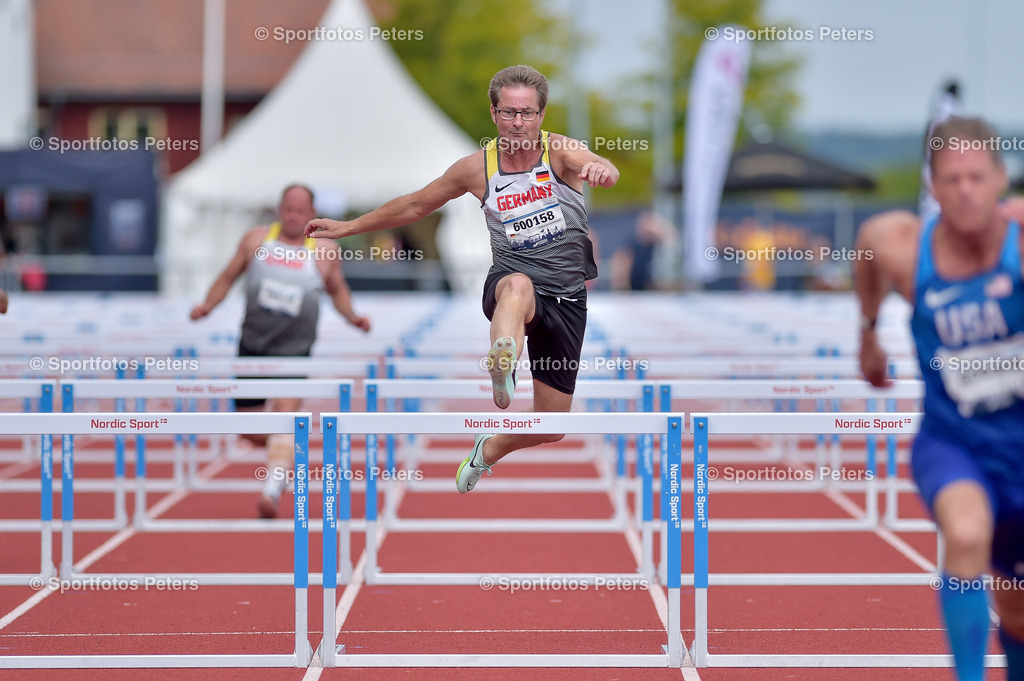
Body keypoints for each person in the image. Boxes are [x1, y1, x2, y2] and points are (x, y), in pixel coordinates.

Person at [304, 65, 619, 494]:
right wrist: (347, 227)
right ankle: (502, 360)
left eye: (526, 114)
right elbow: (416, 205)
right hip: (511, 283)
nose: (517, 123)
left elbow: (597, 163)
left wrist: (603, 170)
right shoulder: (476, 169)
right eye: (508, 113)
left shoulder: (561, 152)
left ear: (541, 116)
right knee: (518, 287)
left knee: (552, 425)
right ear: (494, 114)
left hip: (566, 298)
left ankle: (488, 449)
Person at [855, 117, 1024, 681]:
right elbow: (868, 249)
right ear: (933, 186)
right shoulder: (903, 245)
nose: (966, 191)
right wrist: (869, 333)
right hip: (954, 442)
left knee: (1019, 609)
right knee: (967, 533)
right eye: (951, 180)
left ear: (1002, 179)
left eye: (977, 177)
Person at [190, 184, 371, 517]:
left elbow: (338, 291)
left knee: (285, 419)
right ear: (279, 210)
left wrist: (353, 317)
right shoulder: (256, 240)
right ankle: (286, 449)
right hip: (253, 347)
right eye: (288, 210)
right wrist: (207, 306)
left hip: (294, 350)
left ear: (311, 214)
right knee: (249, 429)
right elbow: (228, 277)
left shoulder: (325, 251)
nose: (293, 217)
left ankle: (271, 489)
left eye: (301, 212)